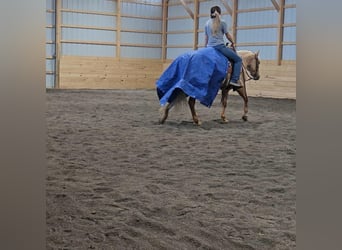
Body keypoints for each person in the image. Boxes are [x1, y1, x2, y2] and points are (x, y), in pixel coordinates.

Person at [204, 6, 242, 89]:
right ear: (220, 13)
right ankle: (234, 80)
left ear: (211, 13)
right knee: (238, 59)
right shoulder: (222, 22)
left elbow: (206, 38)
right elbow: (228, 35)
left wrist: (205, 49)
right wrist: (233, 42)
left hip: (209, 48)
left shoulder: (207, 23)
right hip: (219, 47)